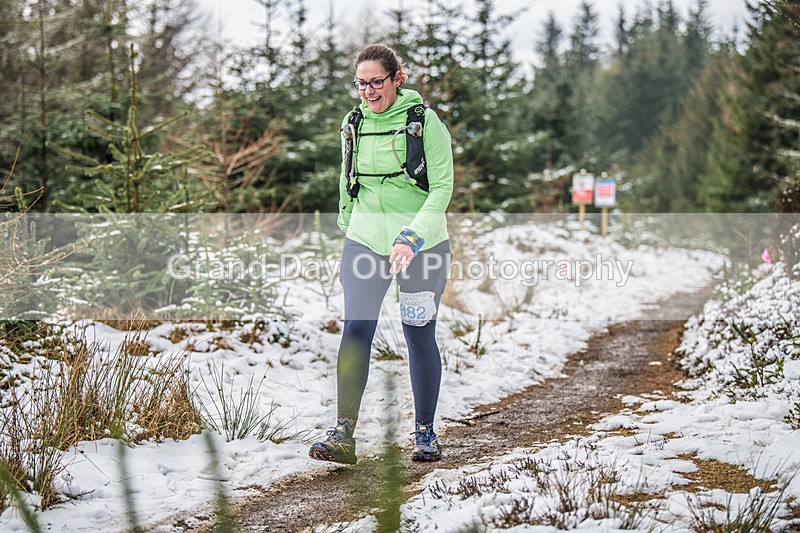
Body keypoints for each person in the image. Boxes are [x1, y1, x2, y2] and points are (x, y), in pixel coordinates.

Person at [308, 43, 454, 465]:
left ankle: (425, 433)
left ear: (397, 80)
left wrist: (411, 237)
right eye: (361, 83)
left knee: (418, 333)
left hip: (421, 246)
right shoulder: (353, 122)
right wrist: (348, 224)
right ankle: (342, 434)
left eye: (377, 82)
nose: (369, 92)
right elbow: (346, 176)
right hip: (366, 242)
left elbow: (441, 189)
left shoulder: (425, 124)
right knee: (356, 329)